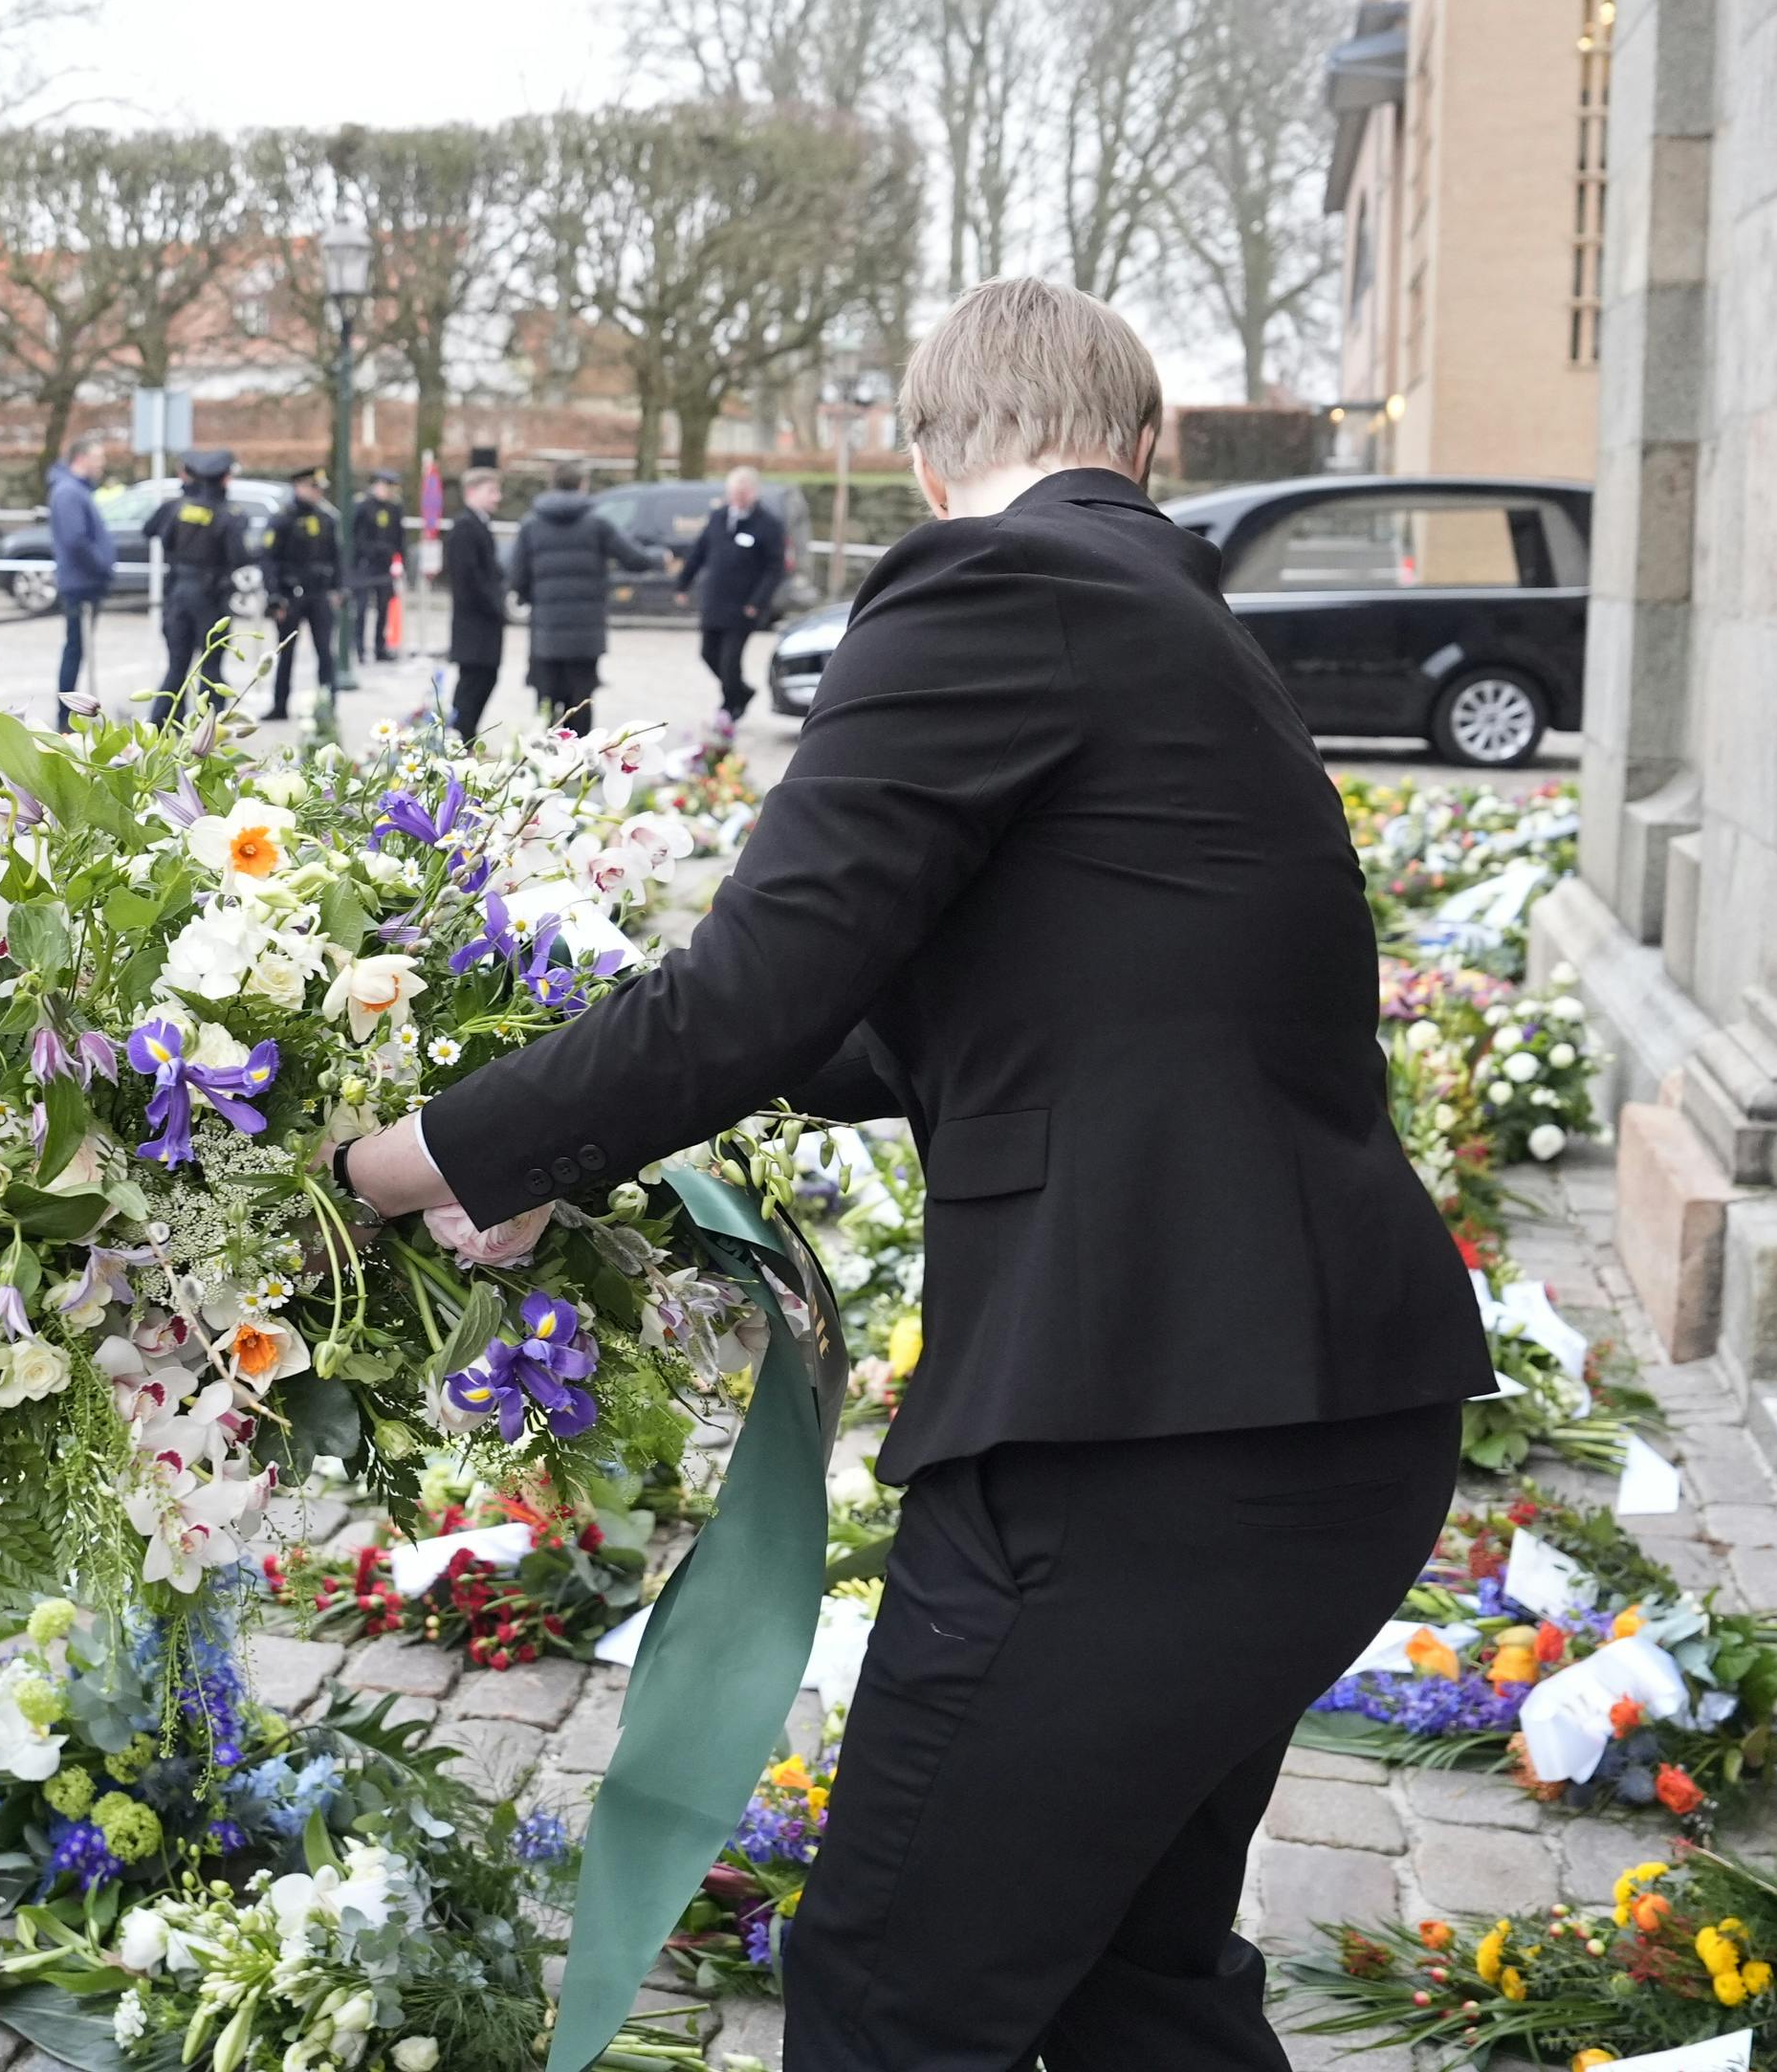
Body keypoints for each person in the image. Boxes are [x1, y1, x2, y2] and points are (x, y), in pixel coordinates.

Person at [345, 278, 1484, 2072]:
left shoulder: (997, 584)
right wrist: (585, 1087)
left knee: (892, 1983)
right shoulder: (1168, 616)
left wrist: (411, 1155)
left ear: (923, 454)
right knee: (1132, 1982)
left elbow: (758, 988)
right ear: (1150, 447)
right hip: (1313, 1419)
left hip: (1135, 1439)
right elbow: (936, 1024)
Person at [505, 458, 664, 730]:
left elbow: (517, 577)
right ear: (583, 485)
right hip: (585, 633)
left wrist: (539, 602)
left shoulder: (531, 525)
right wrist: (659, 557)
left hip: (546, 632)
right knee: (580, 701)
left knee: (545, 702)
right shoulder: (597, 524)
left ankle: (545, 765)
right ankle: (580, 764)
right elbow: (633, 558)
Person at [674, 463, 788, 723]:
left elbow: (774, 568)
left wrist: (757, 601)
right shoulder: (719, 516)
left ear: (753, 493)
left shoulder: (768, 524)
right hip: (714, 601)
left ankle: (729, 706)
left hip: (743, 606)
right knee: (708, 654)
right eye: (733, 493)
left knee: (730, 660)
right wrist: (683, 583)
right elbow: (699, 552)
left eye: (742, 493)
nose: (737, 499)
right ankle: (742, 692)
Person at [147, 448, 241, 724]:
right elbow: (239, 556)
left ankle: (162, 725)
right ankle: (206, 728)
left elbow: (151, 531)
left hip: (177, 594)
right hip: (211, 599)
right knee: (210, 666)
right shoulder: (227, 514)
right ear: (224, 479)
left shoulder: (177, 508)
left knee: (177, 664)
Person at [46, 433, 117, 720]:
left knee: (77, 648)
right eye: (98, 458)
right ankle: (66, 714)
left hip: (83, 581)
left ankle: (71, 711)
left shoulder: (75, 490)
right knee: (74, 649)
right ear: (81, 458)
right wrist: (101, 566)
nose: (102, 465)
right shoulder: (69, 492)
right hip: (80, 584)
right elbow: (76, 540)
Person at [265, 465, 342, 720]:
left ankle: (327, 705)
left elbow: (336, 557)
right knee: (285, 654)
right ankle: (280, 705)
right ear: (298, 486)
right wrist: (274, 596)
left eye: (320, 488)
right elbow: (269, 560)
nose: (318, 493)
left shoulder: (327, 518)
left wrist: (338, 588)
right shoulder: (283, 518)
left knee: (325, 652)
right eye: (313, 487)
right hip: (291, 595)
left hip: (319, 594)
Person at [440, 465, 506, 744]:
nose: (498, 497)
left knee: (484, 679)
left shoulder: (478, 523)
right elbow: (468, 578)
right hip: (474, 623)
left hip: (483, 622)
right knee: (473, 682)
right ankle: (460, 738)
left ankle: (466, 736)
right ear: (471, 492)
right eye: (491, 491)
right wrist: (494, 604)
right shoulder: (465, 527)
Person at [346, 468, 408, 662]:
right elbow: (355, 537)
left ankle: (380, 648)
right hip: (365, 565)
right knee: (362, 608)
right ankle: (359, 648)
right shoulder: (362, 506)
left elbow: (400, 537)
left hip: (385, 565)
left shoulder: (394, 508)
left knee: (383, 607)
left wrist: (399, 560)